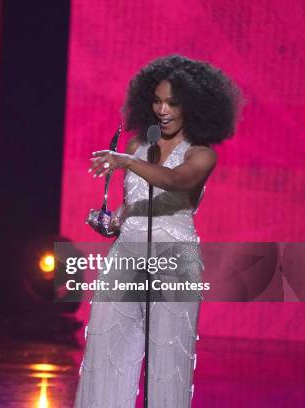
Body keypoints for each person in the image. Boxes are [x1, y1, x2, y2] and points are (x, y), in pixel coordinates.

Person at [74, 55, 241, 407]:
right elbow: (131, 203)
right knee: (106, 351)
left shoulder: (201, 154)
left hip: (174, 259)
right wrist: (113, 222)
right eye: (157, 100)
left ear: (193, 107)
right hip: (126, 257)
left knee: (168, 361)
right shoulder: (137, 146)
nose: (163, 109)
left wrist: (127, 161)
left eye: (173, 103)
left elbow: (177, 181)